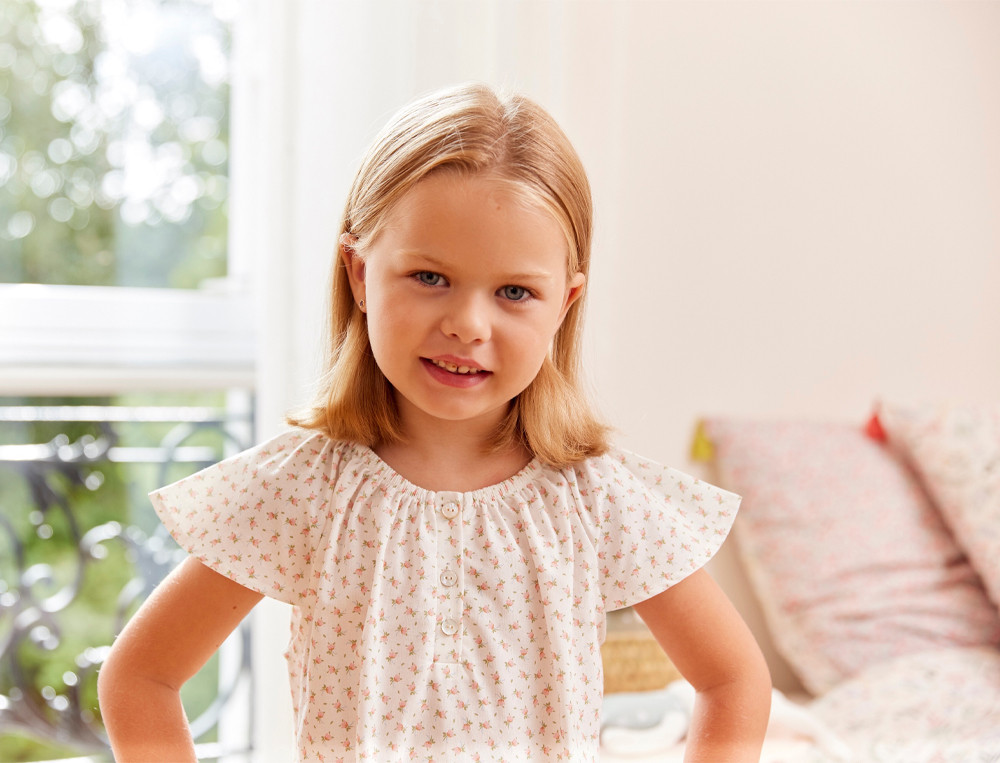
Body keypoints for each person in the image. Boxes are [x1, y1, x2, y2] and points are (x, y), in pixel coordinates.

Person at [98, 82, 771, 762]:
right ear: (360, 275)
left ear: (563, 304)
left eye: (514, 292)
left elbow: (734, 678)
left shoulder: (593, 496)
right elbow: (141, 677)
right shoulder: (305, 489)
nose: (467, 325)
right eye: (429, 277)